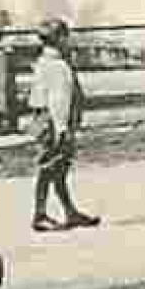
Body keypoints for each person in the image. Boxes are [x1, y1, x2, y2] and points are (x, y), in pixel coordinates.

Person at [27, 19, 99, 232]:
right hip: (54, 122)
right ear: (59, 39)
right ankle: (39, 215)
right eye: (66, 37)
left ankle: (69, 211)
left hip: (46, 119)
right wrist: (62, 128)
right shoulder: (57, 67)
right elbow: (58, 99)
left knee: (57, 169)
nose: (69, 41)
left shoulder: (45, 62)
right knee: (49, 167)